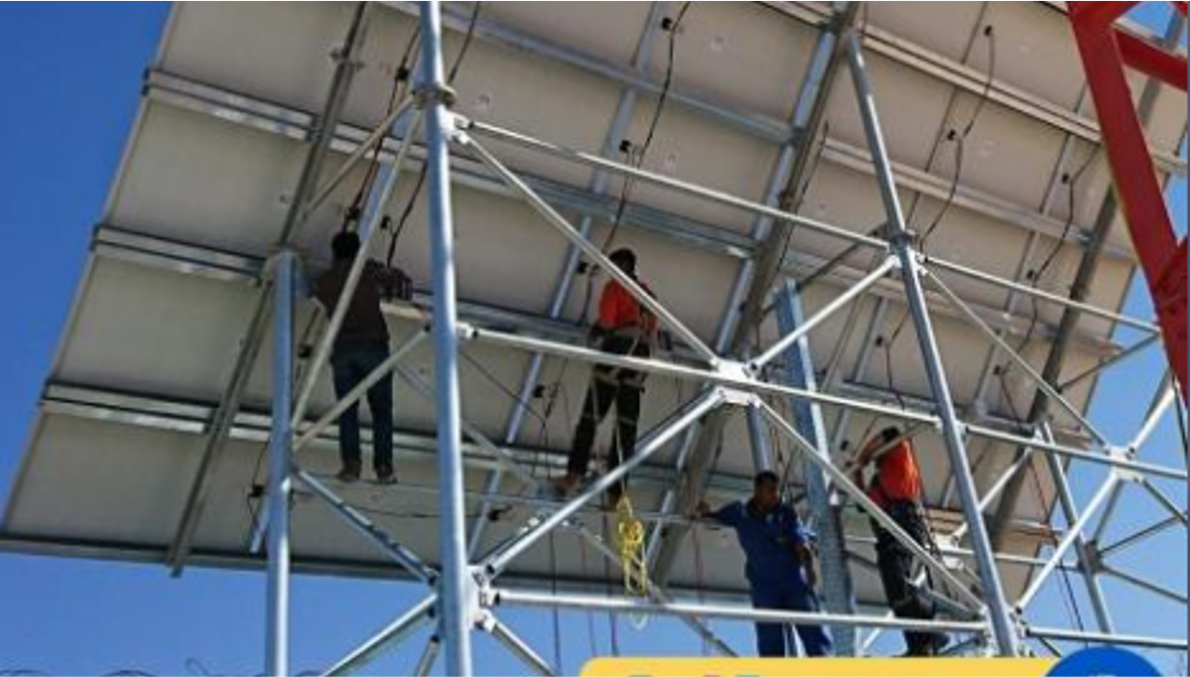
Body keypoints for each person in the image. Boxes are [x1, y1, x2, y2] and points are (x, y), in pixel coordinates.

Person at [553, 248, 658, 503]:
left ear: (621, 266)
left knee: (590, 417)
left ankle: (573, 475)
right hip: (641, 358)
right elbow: (652, 330)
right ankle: (616, 492)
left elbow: (608, 322)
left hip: (619, 349)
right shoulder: (648, 294)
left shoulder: (615, 287)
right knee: (626, 426)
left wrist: (596, 332)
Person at [696, 471, 833, 658]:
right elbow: (714, 520)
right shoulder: (739, 512)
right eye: (771, 490)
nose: (776, 495)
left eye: (777, 490)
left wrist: (809, 570)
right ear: (757, 490)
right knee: (770, 642)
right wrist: (704, 512)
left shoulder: (786, 513)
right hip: (763, 587)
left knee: (814, 635)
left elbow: (800, 542)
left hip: (794, 583)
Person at [313, 231, 409, 484]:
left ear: (334, 252)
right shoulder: (367, 271)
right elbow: (399, 281)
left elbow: (318, 291)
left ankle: (351, 465)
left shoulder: (324, 281)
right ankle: (384, 467)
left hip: (343, 352)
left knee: (347, 411)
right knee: (381, 411)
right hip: (373, 348)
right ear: (357, 251)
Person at [846, 426, 948, 656]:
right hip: (887, 534)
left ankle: (933, 629)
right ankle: (919, 646)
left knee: (899, 587)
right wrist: (857, 472)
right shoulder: (878, 483)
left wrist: (863, 456)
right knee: (896, 599)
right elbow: (863, 504)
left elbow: (891, 433)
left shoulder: (899, 459)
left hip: (904, 525)